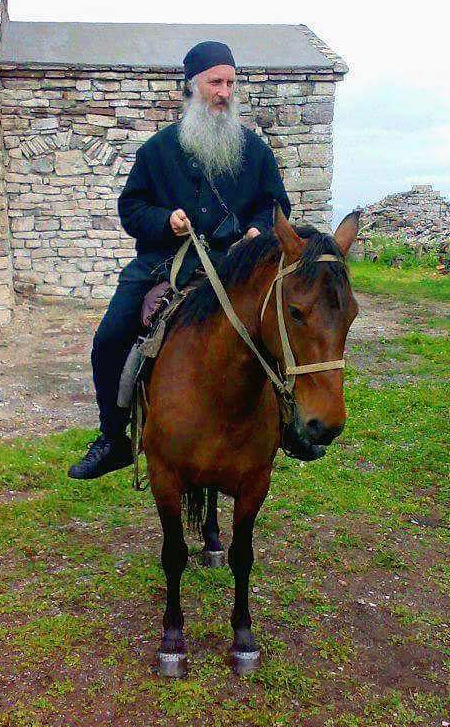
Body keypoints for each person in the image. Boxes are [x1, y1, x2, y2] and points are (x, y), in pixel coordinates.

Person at [68, 40, 291, 480]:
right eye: (215, 82)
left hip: (234, 266)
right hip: (163, 264)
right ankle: (113, 438)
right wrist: (165, 220)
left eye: (230, 83)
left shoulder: (256, 152)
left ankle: (291, 424)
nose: (224, 92)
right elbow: (131, 209)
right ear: (191, 86)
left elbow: (273, 204)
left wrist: (257, 230)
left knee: (286, 326)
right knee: (109, 339)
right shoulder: (157, 151)